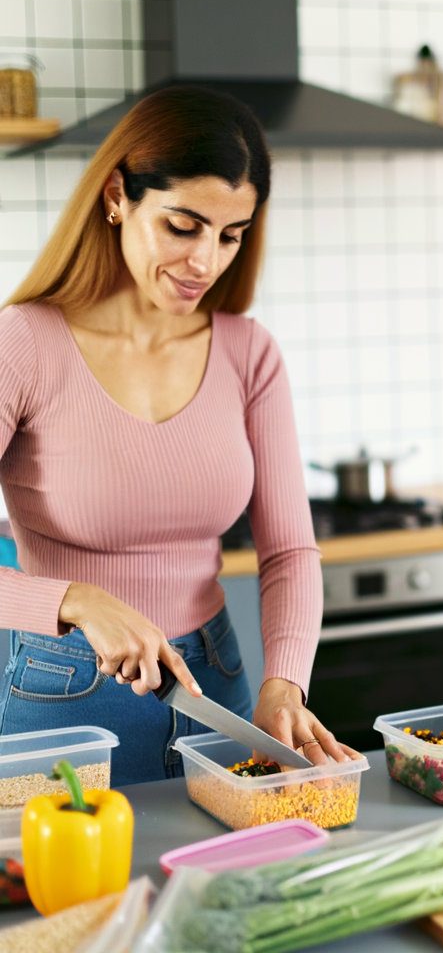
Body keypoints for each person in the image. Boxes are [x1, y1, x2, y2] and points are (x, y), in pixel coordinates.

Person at [0, 85, 358, 783]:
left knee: (221, 885)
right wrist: (72, 600)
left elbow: (289, 549)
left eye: (231, 235)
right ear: (116, 196)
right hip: (62, 691)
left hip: (213, 685)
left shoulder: (248, 353)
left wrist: (285, 679)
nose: (206, 261)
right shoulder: (24, 345)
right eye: (183, 225)